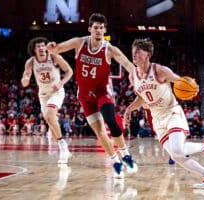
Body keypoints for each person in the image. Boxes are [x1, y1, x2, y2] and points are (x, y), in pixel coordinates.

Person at [124, 39, 204, 189]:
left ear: (148, 55)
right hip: (157, 118)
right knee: (176, 156)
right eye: (133, 52)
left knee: (178, 150)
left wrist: (192, 87)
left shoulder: (160, 70)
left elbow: (180, 81)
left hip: (172, 112)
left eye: (138, 52)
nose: (134, 55)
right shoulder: (132, 76)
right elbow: (142, 97)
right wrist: (128, 109)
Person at [46, 13, 137, 178]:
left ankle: (125, 155)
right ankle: (116, 160)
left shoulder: (109, 49)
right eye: (96, 27)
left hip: (102, 92)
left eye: (102, 28)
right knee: (100, 132)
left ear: (104, 30)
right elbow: (58, 48)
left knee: (110, 120)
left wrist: (137, 76)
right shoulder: (79, 43)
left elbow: (126, 63)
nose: (99, 30)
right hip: (85, 96)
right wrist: (53, 47)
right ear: (90, 29)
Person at [21, 37, 73, 164]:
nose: (41, 48)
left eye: (43, 45)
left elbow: (69, 71)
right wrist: (25, 79)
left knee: (50, 114)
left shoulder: (55, 57)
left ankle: (63, 147)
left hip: (56, 92)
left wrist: (61, 83)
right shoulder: (31, 62)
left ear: (46, 47)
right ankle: (63, 146)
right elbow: (26, 76)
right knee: (50, 121)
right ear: (34, 49)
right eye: (38, 46)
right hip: (43, 94)